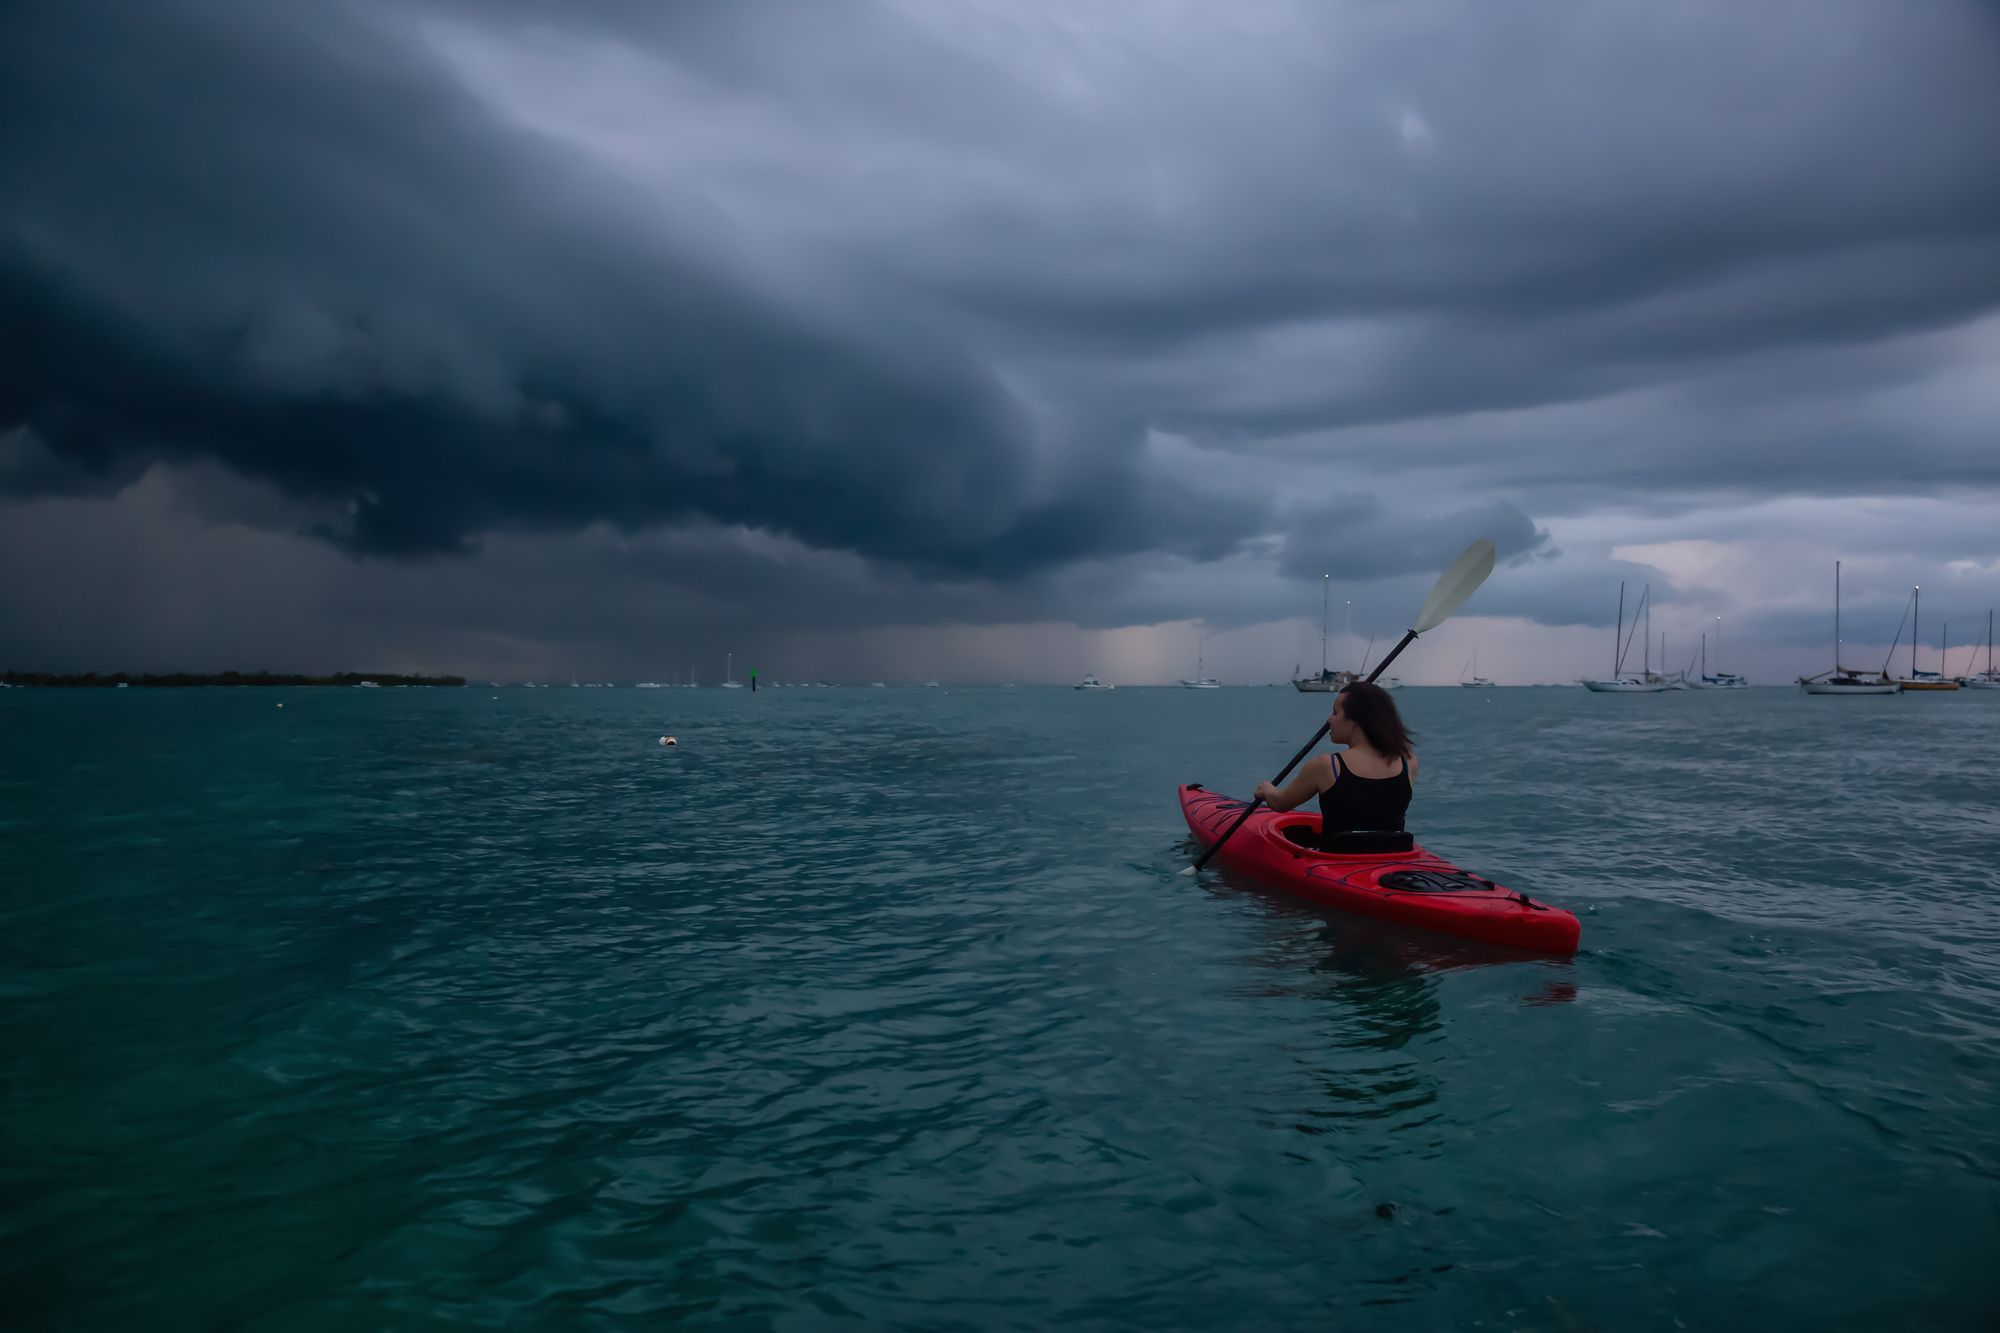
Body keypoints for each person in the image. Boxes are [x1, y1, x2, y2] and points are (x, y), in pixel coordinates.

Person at [1253, 681, 1416, 842]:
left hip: (1338, 860)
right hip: (1391, 860)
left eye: (1335, 713)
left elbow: (1280, 803)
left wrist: (1267, 791)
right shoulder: (1409, 762)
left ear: (1355, 721)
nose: (1329, 720)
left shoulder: (1326, 766)